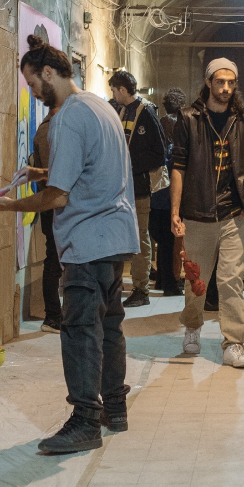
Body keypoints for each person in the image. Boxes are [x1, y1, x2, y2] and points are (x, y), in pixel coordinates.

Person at [0, 38, 138, 453]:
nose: (34, 93)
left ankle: (85, 421)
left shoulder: (67, 116)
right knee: (109, 327)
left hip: (87, 240)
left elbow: (59, 196)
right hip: (114, 237)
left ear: (48, 73)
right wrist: (39, 172)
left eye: (33, 84)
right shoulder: (100, 106)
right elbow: (88, 169)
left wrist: (8, 206)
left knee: (80, 331)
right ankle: (115, 409)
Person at [171, 58, 244, 368]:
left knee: (232, 279)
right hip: (198, 211)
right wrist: (175, 211)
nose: (226, 88)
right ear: (208, 82)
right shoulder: (188, 118)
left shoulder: (243, 119)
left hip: (234, 212)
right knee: (197, 279)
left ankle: (234, 343)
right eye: (220, 82)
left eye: (231, 82)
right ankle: (193, 326)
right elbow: (178, 166)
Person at [108, 69, 166, 308]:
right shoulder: (120, 110)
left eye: (114, 90)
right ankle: (116, 286)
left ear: (123, 90)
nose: (113, 95)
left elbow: (159, 154)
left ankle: (141, 290)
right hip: (119, 188)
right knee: (119, 237)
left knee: (141, 239)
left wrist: (130, 164)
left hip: (139, 189)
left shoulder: (146, 113)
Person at [150, 88, 187, 296]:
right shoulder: (179, 125)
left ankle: (161, 280)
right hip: (170, 194)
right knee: (170, 241)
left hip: (156, 192)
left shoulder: (158, 124)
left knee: (161, 241)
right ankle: (170, 284)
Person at [31, 107, 62, 332]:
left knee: (57, 259)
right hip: (53, 206)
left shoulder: (55, 127)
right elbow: (53, 173)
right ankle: (52, 317)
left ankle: (56, 315)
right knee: (54, 259)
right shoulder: (47, 131)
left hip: (58, 205)